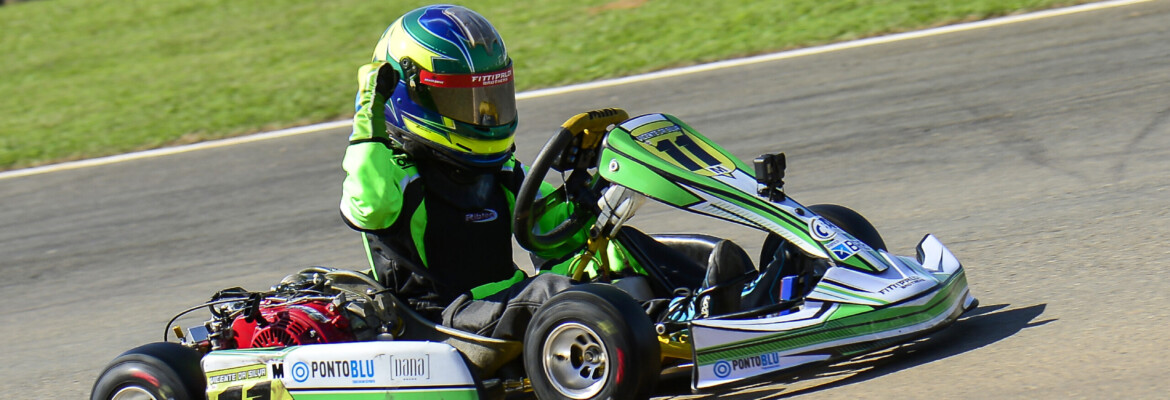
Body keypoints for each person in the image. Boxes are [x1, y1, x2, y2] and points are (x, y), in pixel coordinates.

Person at [339, 5, 583, 340]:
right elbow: (371, 204)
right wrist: (368, 118)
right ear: (409, 96)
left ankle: (671, 312)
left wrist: (589, 192)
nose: (484, 116)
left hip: (504, 305)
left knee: (608, 261)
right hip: (444, 320)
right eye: (460, 101)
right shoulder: (401, 175)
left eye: (489, 99)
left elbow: (556, 236)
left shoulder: (501, 170)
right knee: (552, 293)